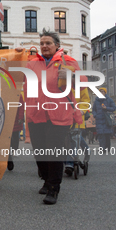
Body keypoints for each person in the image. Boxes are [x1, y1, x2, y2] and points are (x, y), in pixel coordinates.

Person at [25, 28, 84, 204]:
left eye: (48, 43)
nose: (44, 46)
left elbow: (84, 83)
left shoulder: (68, 60)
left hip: (59, 115)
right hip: (36, 114)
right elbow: (26, 88)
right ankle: (46, 179)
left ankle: (53, 188)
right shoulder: (32, 63)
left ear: (57, 45)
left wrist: (72, 76)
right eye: (42, 43)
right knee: (39, 152)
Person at [64, 87, 91, 176]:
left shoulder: (80, 86)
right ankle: (86, 151)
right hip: (62, 119)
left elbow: (85, 100)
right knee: (69, 140)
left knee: (74, 140)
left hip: (76, 119)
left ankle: (69, 163)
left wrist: (81, 111)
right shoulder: (60, 83)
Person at [92, 87, 116, 152]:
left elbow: (114, 108)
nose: (101, 93)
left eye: (103, 91)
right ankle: (102, 149)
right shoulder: (96, 101)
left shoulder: (109, 100)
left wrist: (106, 108)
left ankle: (108, 148)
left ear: (105, 92)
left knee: (107, 136)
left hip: (107, 120)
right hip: (99, 120)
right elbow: (93, 110)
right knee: (100, 135)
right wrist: (95, 115)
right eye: (100, 91)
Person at [8, 94, 24, 171]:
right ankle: (9, 156)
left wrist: (21, 117)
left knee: (15, 136)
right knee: (7, 138)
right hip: (6, 118)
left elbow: (21, 106)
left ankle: (14, 150)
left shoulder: (17, 94)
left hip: (15, 118)